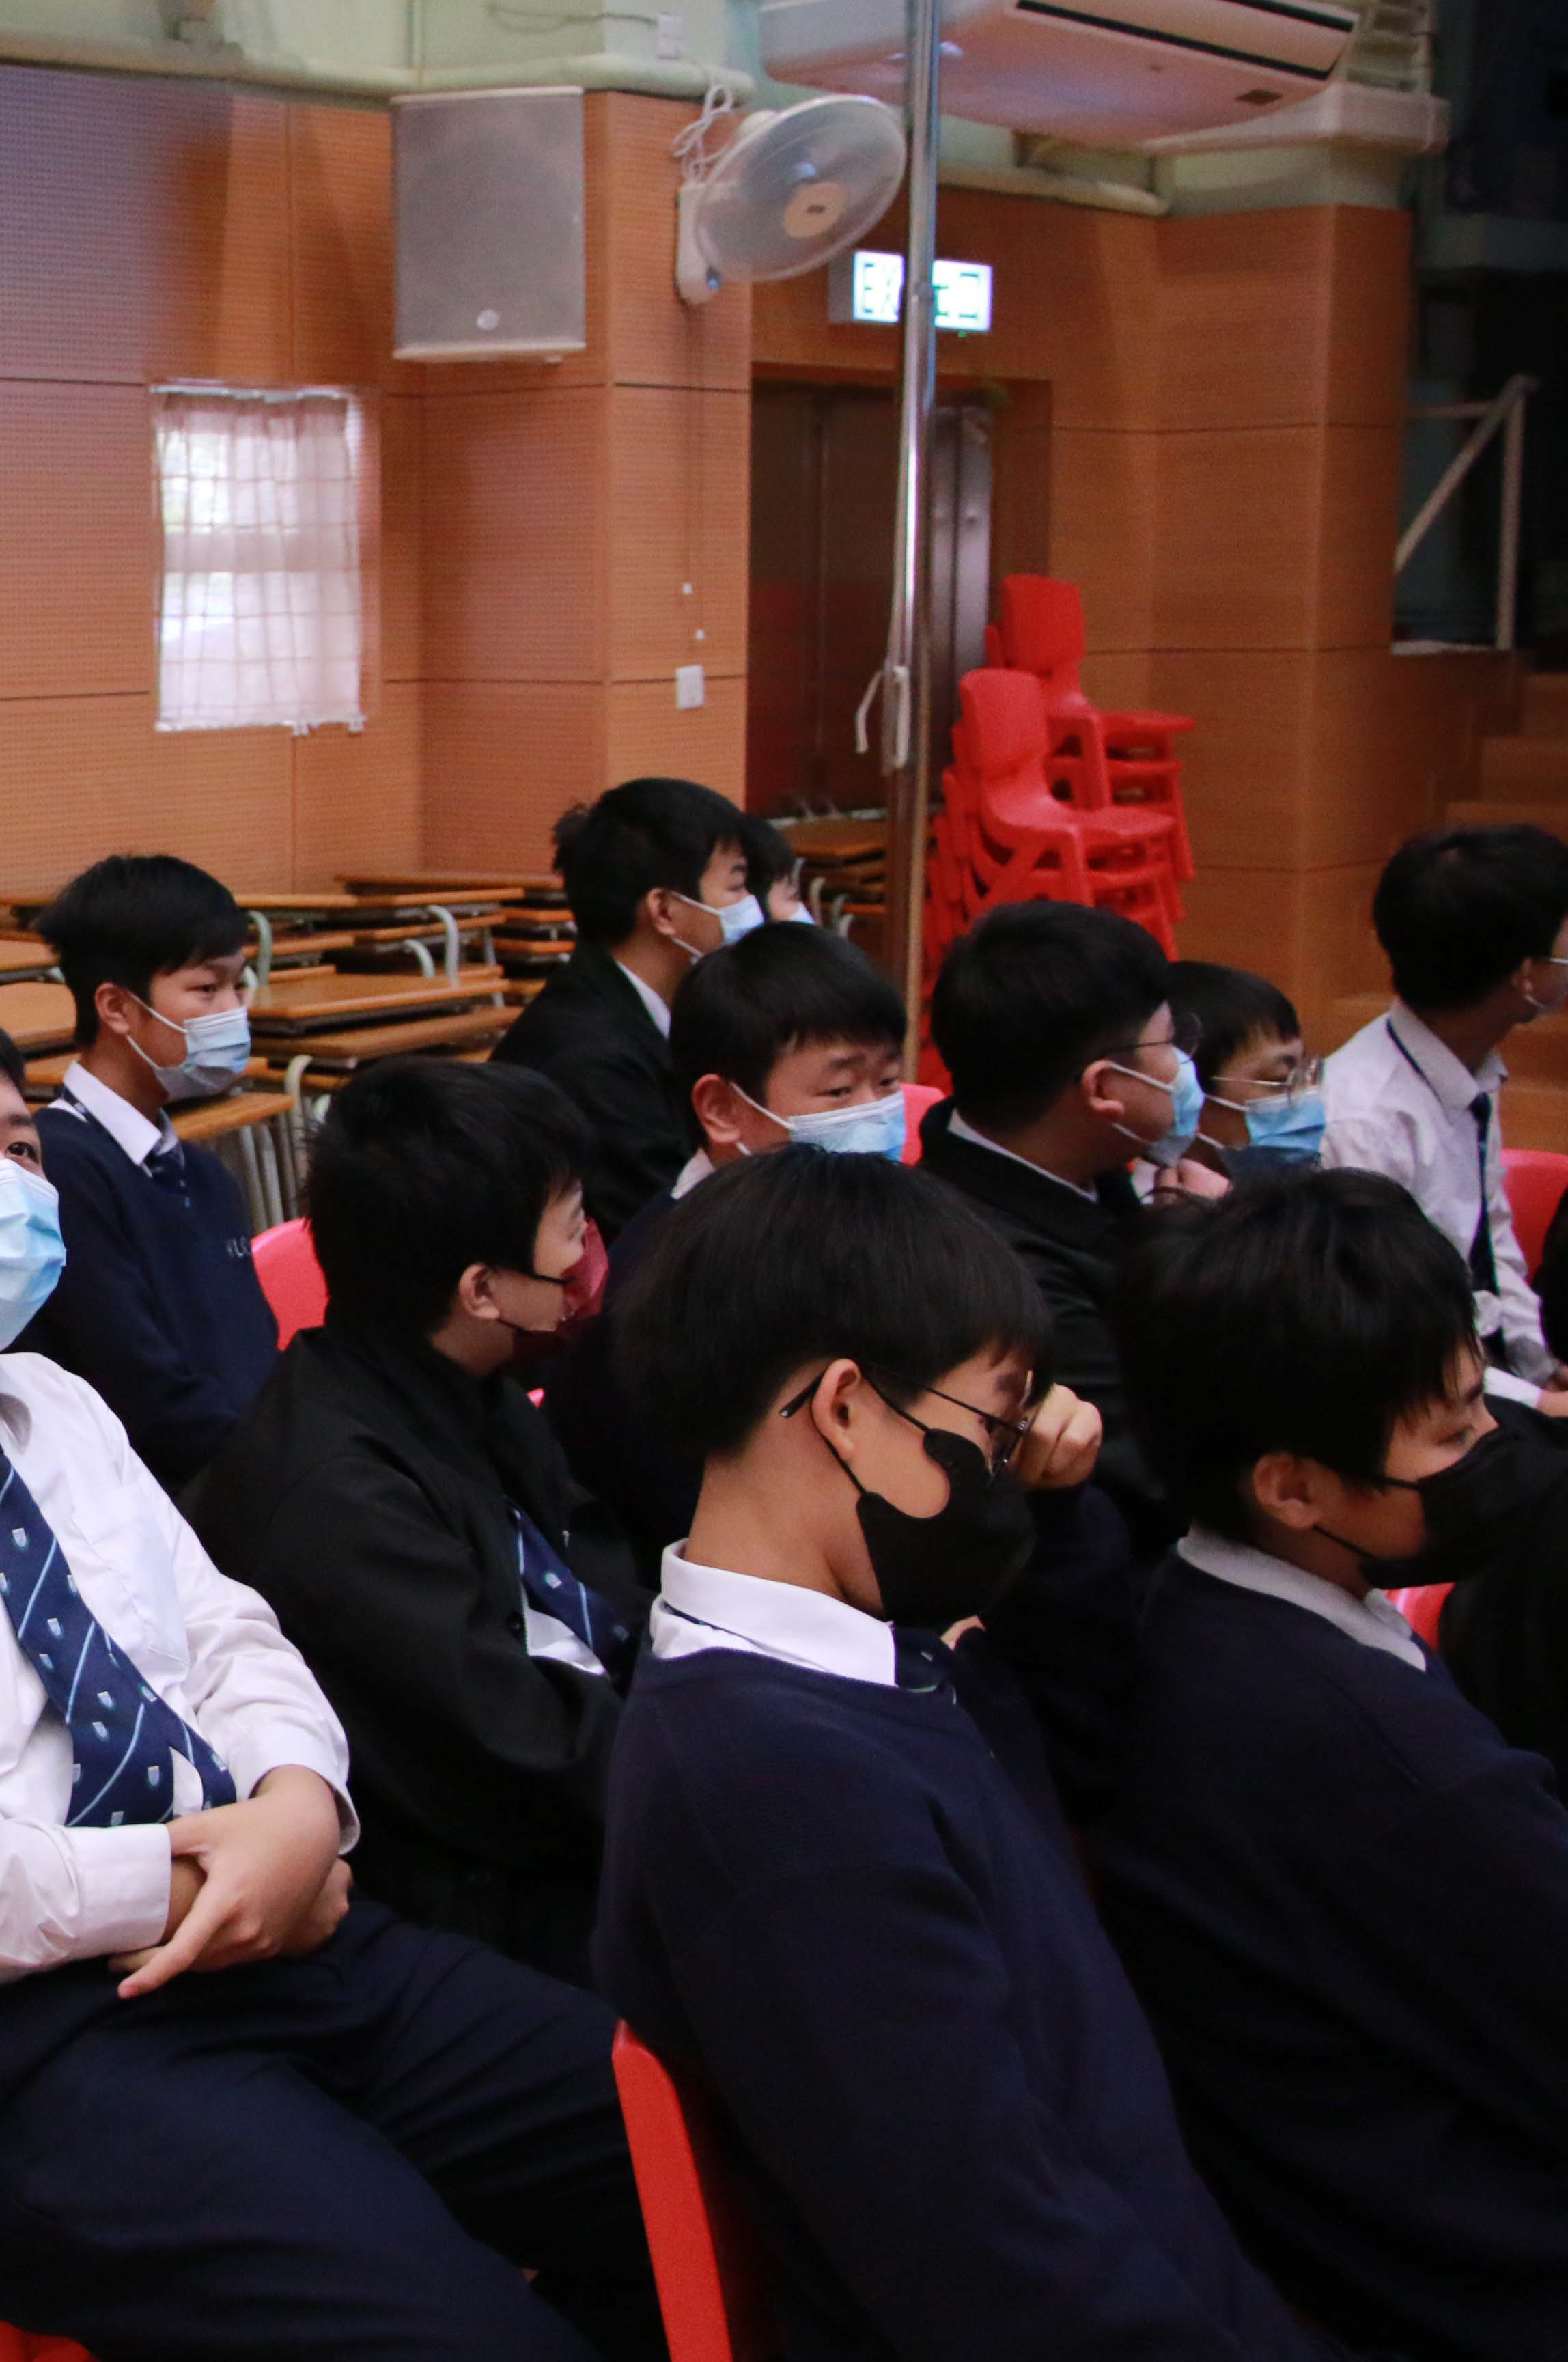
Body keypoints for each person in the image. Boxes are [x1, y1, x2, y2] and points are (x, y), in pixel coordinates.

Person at [0, 997, 667, 2362]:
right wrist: (195, 1883)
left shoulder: (52, 1402)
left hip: (282, 1945)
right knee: (456, 2331)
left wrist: (299, 1805)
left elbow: (232, 1636)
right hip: (1, 2048)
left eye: (20, 1146)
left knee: (711, 2152)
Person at [593, 1150, 1341, 2362]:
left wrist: (1047, 1508)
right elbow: (997, 2267)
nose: (1010, 1458)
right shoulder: (773, 1790)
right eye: (994, 1424)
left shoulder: (866, 1657)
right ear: (845, 1408)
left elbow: (1084, 1744)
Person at [1100, 1171, 1568, 2358]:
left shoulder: (1193, 1612)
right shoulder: (1386, 1766)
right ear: (1293, 1485)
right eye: (1451, 1431)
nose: (1492, 1446)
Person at [184, 1057, 642, 1985]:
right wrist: (715, 1754)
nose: (589, 1254)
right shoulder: (338, 1499)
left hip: (579, 1799)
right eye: (571, 1231)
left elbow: (605, 1588)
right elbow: (520, 1755)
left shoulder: (464, 1378)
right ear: (482, 1290)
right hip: (473, 1900)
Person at [548, 924, 911, 1572]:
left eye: (887, 1083)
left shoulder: (868, 1223)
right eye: (839, 1092)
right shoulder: (664, 1299)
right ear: (721, 1109)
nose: (874, 1113)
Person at [918, 899, 1222, 1548]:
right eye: (1171, 1042)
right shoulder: (1004, 1277)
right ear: (1103, 1089)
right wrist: (1211, 1256)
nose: (1184, 1064)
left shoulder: (1077, 1159)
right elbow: (1173, 1486)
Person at [13, 853, 279, 1489]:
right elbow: (147, 1402)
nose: (234, 1010)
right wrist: (291, 1470)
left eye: (238, 986)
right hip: (159, 1501)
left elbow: (253, 1364)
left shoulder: (203, 1174)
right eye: (207, 989)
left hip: (247, 1483)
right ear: (117, 1008)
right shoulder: (61, 1170)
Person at [1323, 822, 1568, 1404]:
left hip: (1484, 1377)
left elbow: (1492, 1247)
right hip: (1412, 1400)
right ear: (1526, 976)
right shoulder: (1365, 1122)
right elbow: (1390, 1337)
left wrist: (1541, 1369)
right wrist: (1535, 1406)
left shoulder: (1468, 1063)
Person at [494, 777, 760, 1234]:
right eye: (736, 887)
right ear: (665, 910)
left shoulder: (663, 1013)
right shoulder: (592, 1062)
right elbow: (672, 1232)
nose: (751, 906)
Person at [1164, 958, 1321, 1180]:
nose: (1306, 1097)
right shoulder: (1144, 1199)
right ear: (1186, 1093)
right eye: (1281, 1079)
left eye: (1307, 1074)